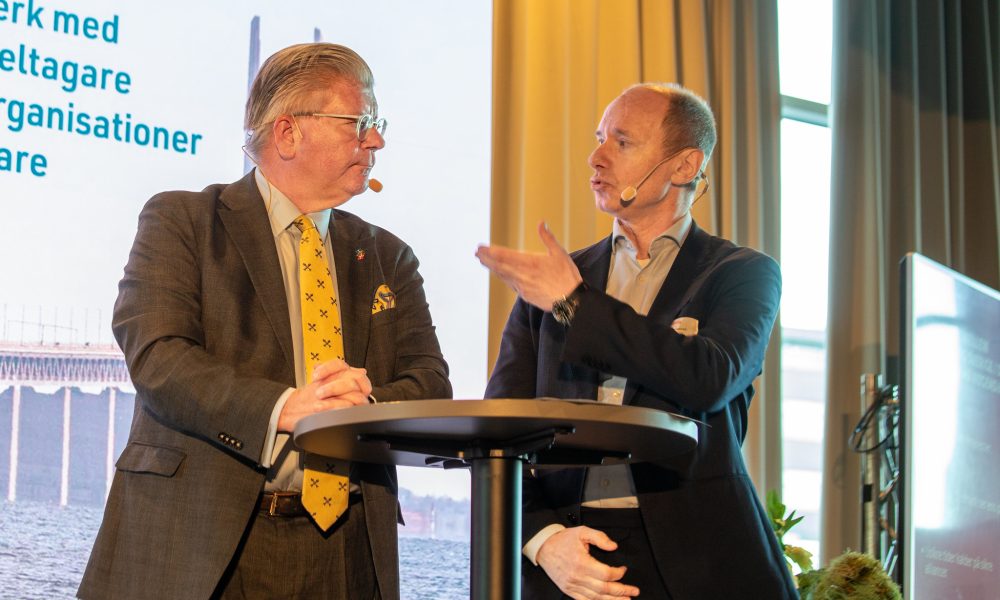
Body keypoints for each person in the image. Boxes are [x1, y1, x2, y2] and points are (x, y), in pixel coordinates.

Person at [78, 43, 451, 600]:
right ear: (288, 133)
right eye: (359, 122)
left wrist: (363, 408)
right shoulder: (182, 221)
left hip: (347, 554)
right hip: (202, 546)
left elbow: (431, 383)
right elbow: (158, 355)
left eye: (377, 124)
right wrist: (285, 408)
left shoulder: (388, 257)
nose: (375, 140)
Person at [476, 83, 796, 599]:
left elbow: (708, 377)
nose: (596, 157)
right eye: (599, 138)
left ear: (684, 165)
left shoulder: (742, 273)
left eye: (622, 142)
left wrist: (574, 306)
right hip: (567, 559)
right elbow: (499, 432)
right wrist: (544, 540)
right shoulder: (561, 279)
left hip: (698, 567)